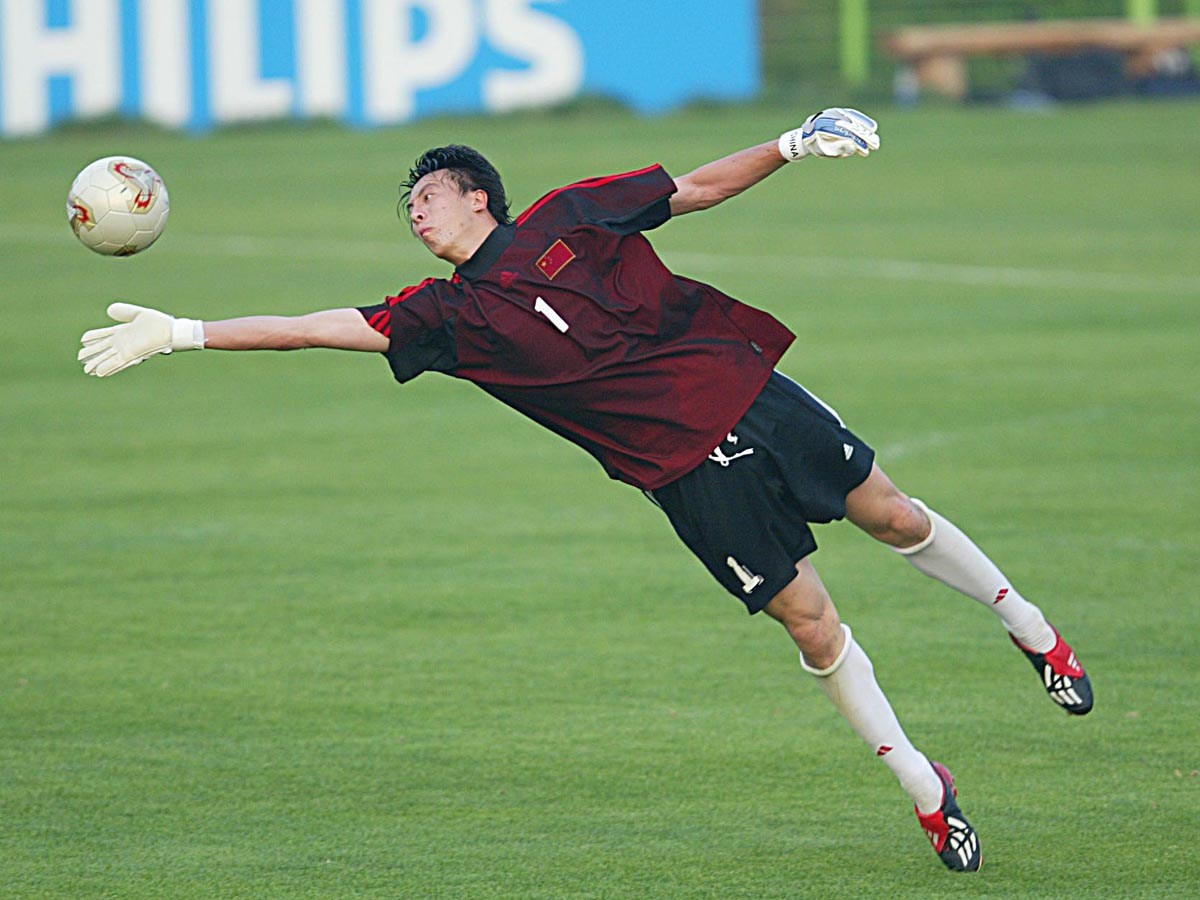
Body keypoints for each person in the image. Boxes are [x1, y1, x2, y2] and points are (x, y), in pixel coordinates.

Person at [78, 108, 1092, 873]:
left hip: (747, 392)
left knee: (897, 517)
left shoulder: (570, 216)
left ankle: (1037, 633)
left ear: (477, 194)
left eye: (425, 194)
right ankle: (925, 786)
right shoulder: (442, 317)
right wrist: (185, 331)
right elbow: (315, 325)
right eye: (410, 207)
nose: (414, 212)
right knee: (814, 630)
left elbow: (691, 189)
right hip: (684, 476)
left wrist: (789, 143)